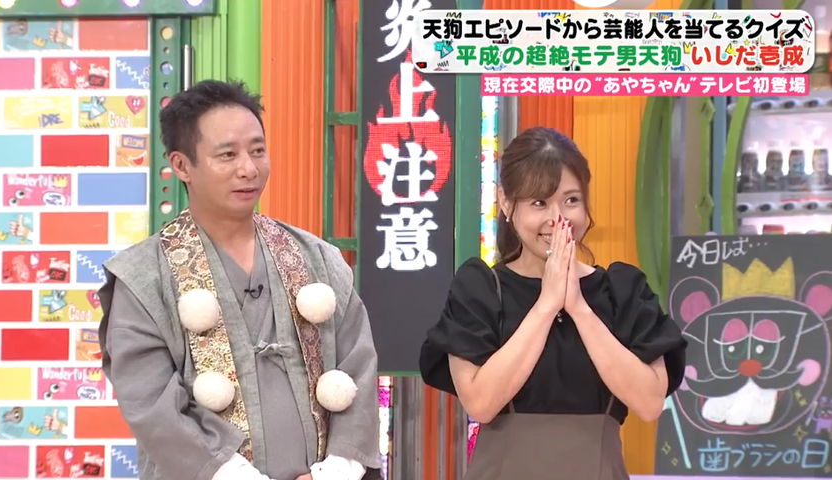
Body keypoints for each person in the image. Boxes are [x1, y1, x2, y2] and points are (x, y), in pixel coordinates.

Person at [98, 80, 381, 480]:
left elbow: (358, 367)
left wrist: (335, 471)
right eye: (227, 154)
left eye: (257, 151)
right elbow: (151, 403)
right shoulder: (145, 277)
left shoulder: (316, 258)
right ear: (181, 166)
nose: (248, 168)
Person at [419, 127, 687, 480]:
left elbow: (650, 402)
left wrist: (579, 308)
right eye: (539, 203)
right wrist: (546, 304)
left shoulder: (621, 290)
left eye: (571, 200)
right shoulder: (480, 289)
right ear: (506, 203)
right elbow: (481, 403)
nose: (557, 218)